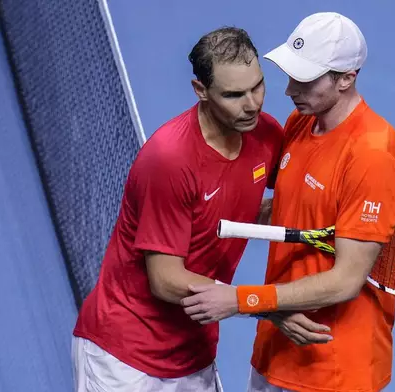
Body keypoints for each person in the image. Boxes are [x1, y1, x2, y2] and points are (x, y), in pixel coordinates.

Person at [180, 12, 395, 392]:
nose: (289, 90)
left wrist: (244, 300)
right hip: (277, 350)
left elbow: (347, 280)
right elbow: (290, 209)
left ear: (346, 78)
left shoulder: (372, 154)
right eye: (289, 75)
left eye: (305, 79)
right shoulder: (301, 123)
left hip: (332, 369)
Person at [71, 26, 287, 391]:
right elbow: (167, 280)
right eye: (234, 94)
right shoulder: (170, 161)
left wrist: (371, 238)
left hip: (193, 355)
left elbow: (293, 196)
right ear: (200, 91)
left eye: (257, 86)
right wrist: (263, 304)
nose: (252, 104)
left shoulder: (264, 133)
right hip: (125, 359)